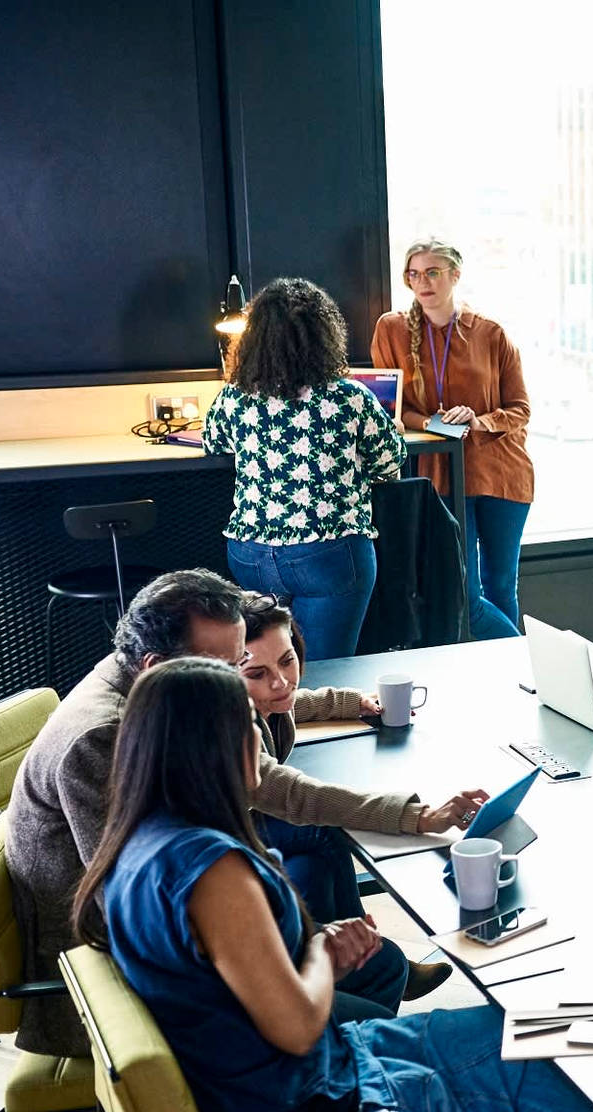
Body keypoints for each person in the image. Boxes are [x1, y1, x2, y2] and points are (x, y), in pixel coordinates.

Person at [70, 658, 593, 1112]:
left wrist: (313, 950)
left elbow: (228, 980)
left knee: (538, 1031)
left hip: (285, 1095)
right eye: (246, 721)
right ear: (207, 746)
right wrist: (319, 954)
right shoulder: (214, 873)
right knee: (556, 1081)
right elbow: (295, 1028)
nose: (258, 735)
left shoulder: (139, 843)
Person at [4, 569, 486, 1059]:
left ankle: (343, 1055)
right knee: (413, 1035)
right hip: (125, 965)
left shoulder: (155, 687)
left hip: (180, 923)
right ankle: (336, 1072)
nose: (250, 703)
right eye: (230, 672)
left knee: (372, 956)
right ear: (157, 666)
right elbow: (130, 908)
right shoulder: (103, 740)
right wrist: (284, 951)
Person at [240, 595, 451, 1000]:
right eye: (258, 672)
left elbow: (290, 702)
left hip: (254, 817)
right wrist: (416, 816)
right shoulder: (228, 717)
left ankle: (358, 962)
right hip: (234, 828)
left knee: (314, 866)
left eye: (288, 660)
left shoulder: (264, 696)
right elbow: (296, 795)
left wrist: (351, 702)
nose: (281, 681)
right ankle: (369, 951)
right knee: (322, 829)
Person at [204, 277, 409, 660]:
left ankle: (274, 723)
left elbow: (214, 441)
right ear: (325, 336)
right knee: (326, 671)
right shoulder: (349, 397)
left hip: (250, 554)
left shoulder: (234, 397)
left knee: (267, 670)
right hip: (328, 552)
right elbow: (391, 461)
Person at [372, 237, 536, 640]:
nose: (422, 282)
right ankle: (527, 661)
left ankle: (513, 681)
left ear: (455, 275)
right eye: (414, 274)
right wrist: (430, 422)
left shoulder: (490, 332)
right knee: (466, 593)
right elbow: (391, 410)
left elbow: (521, 409)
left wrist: (478, 421)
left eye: (432, 272)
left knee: (502, 586)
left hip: (502, 474)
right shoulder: (391, 329)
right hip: (442, 474)